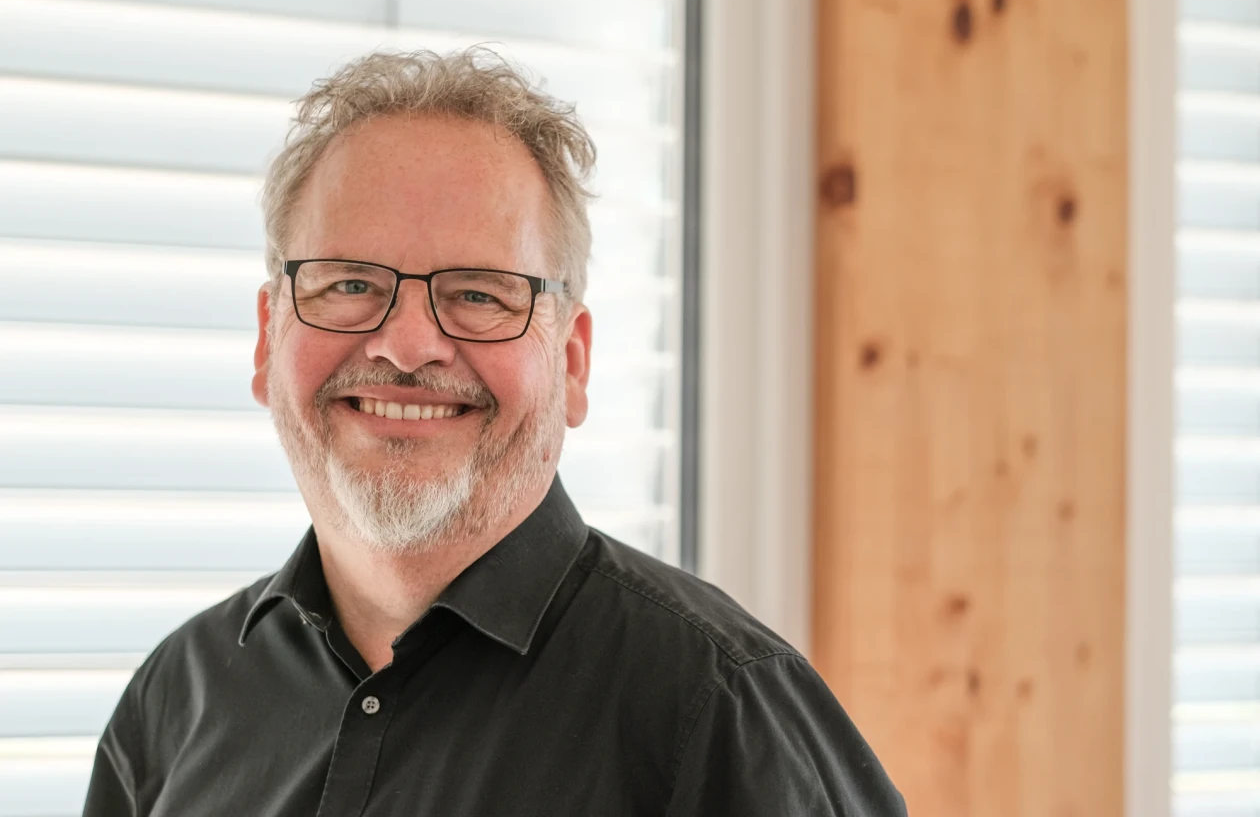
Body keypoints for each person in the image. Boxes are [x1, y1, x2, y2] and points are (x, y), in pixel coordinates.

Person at [82, 48, 906, 816]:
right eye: (349, 284)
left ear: (572, 362)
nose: (406, 345)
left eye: (480, 294)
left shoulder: (721, 709)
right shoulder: (174, 707)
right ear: (268, 340)